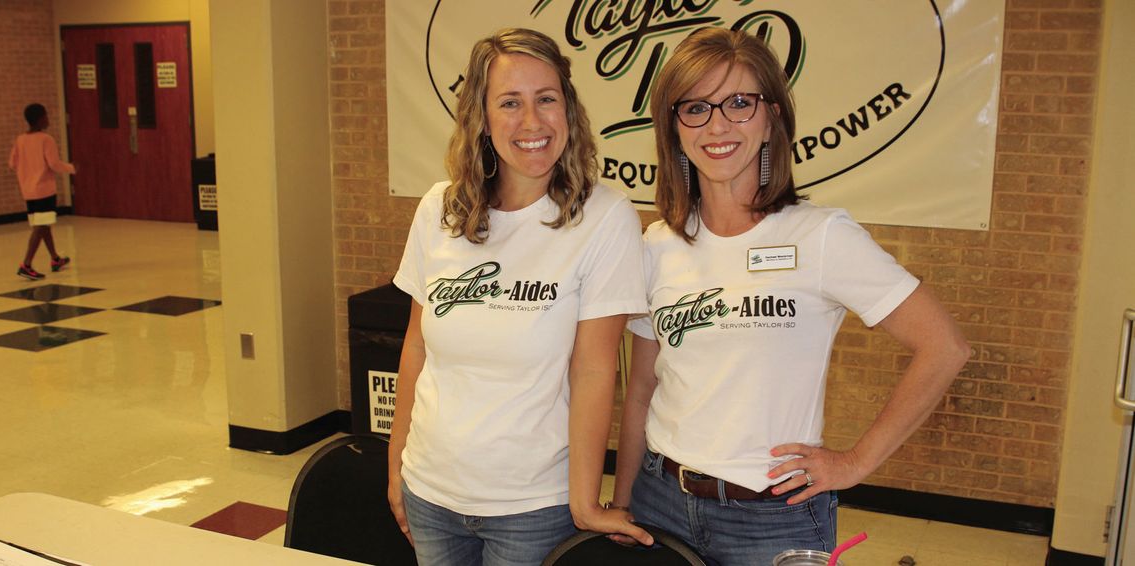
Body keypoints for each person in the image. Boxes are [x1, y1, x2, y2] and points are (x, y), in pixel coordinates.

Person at [610, 28, 969, 565]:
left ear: (771, 114)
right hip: (660, 503)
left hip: (772, 516)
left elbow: (944, 347)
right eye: (695, 108)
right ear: (673, 126)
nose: (718, 125)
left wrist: (855, 463)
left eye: (738, 103)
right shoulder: (657, 245)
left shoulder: (821, 237)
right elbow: (641, 388)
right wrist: (624, 502)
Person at [388, 27, 653, 566]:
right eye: (510, 103)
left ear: (568, 110)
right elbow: (416, 347)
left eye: (546, 99)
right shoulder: (441, 209)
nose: (531, 122)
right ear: (480, 118)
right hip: (430, 490)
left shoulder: (603, 218)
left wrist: (584, 502)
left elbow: (596, 371)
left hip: (532, 506)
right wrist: (396, 466)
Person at [8, 103, 75, 281]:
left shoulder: (20, 139)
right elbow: (54, 164)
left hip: (28, 191)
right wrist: (72, 168)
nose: (48, 118)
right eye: (46, 115)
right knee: (41, 227)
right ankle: (26, 264)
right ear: (39, 119)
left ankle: (55, 259)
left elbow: (12, 164)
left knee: (43, 226)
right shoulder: (46, 139)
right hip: (44, 190)